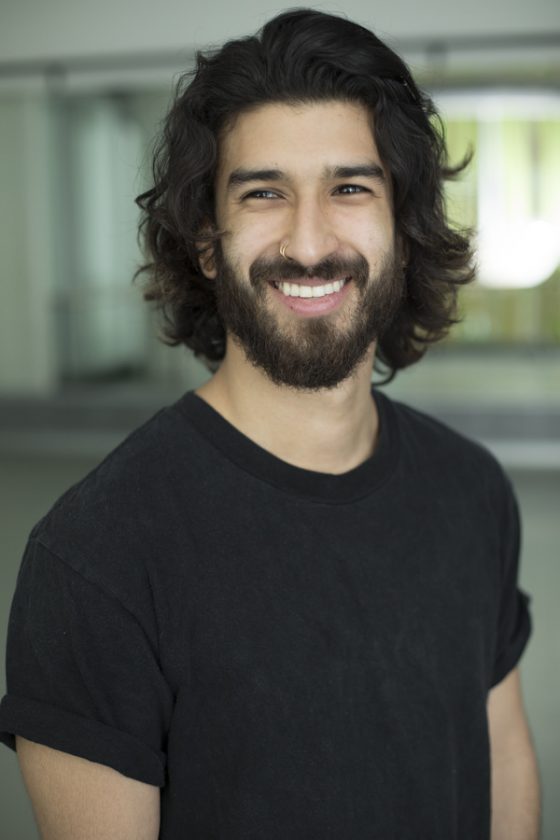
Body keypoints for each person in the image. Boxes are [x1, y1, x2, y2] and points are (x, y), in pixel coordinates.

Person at [0, 9, 540, 839]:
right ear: (206, 244)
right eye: (263, 193)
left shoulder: (472, 490)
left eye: (350, 188)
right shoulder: (97, 558)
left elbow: (502, 765)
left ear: (402, 230)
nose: (310, 243)